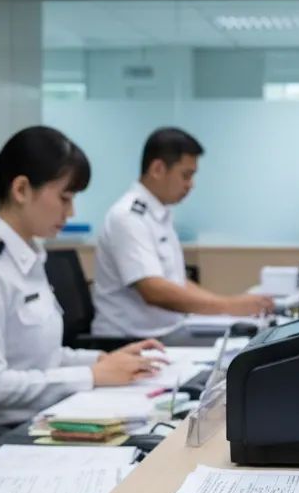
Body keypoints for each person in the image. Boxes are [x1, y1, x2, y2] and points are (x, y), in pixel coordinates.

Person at [0, 126, 164, 425]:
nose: (70, 212)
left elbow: (41, 359)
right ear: (21, 190)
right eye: (65, 198)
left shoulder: (27, 257)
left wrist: (103, 361)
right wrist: (91, 376)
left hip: (35, 422)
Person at [92, 128, 274, 344]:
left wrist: (231, 306)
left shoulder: (158, 214)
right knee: (240, 354)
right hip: (129, 341)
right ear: (158, 169)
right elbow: (154, 291)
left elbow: (177, 282)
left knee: (250, 343)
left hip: (166, 332)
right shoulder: (128, 217)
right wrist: (229, 306)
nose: (191, 184)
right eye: (186, 175)